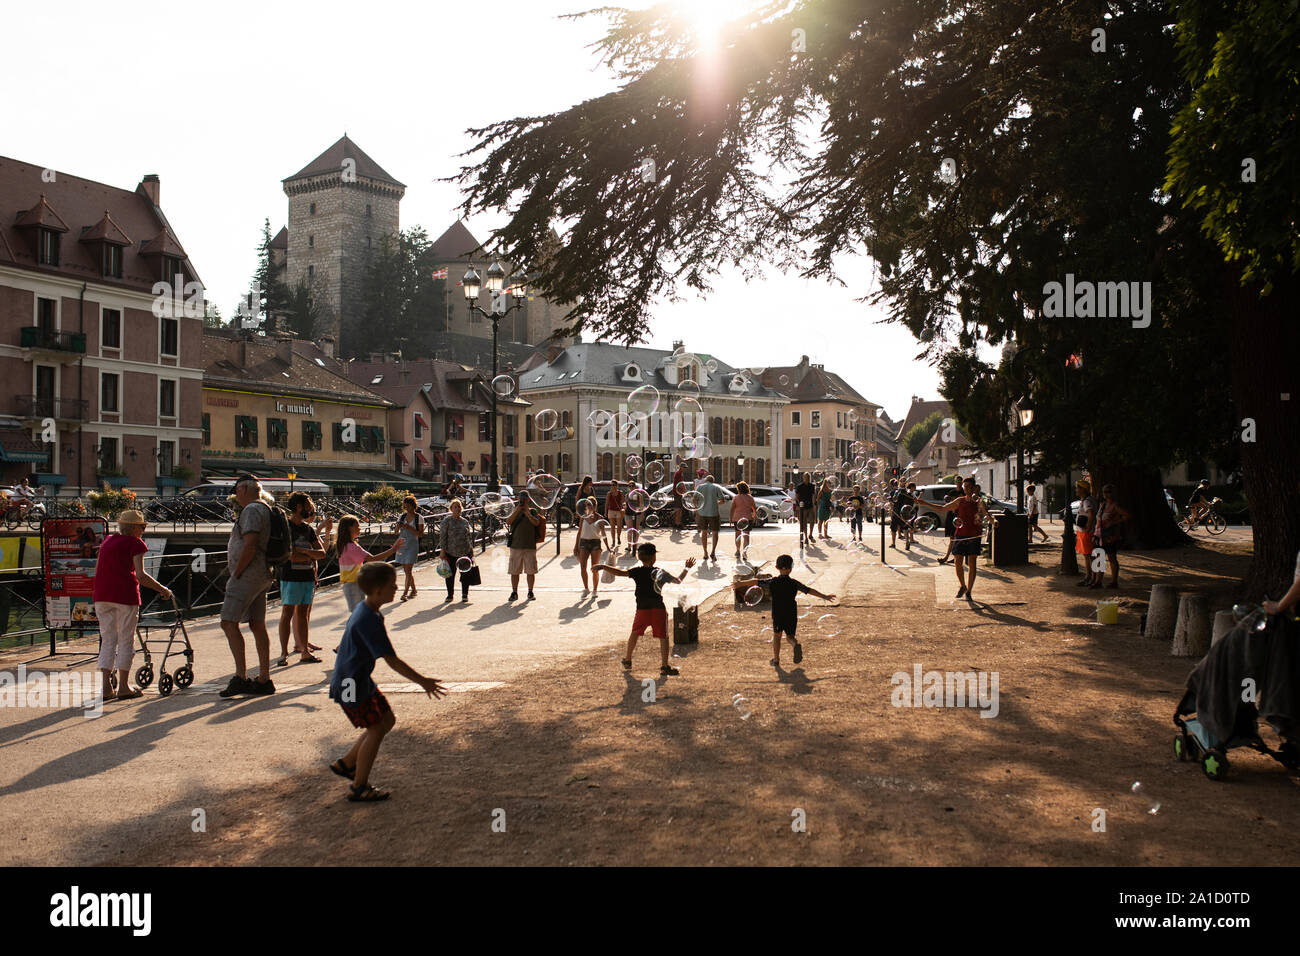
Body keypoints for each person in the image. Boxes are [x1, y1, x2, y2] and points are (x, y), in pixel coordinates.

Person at [328, 562, 448, 802]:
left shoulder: (367, 610)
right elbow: (392, 660)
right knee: (375, 728)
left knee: (387, 720)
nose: (396, 588)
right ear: (377, 591)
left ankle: (350, 763)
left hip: (358, 679)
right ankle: (359, 787)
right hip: (351, 684)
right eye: (392, 585)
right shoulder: (368, 619)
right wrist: (422, 681)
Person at [92, 510, 172, 701]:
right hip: (125, 596)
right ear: (134, 527)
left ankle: (105, 688)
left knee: (108, 640)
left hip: (102, 596)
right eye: (142, 527)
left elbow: (97, 569)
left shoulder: (108, 541)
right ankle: (124, 687)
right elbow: (141, 575)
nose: (144, 530)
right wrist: (163, 589)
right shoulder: (135, 543)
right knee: (126, 639)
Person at [595, 543, 695, 676]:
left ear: (640, 557)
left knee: (635, 633)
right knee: (663, 637)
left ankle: (628, 659)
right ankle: (664, 666)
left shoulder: (637, 571)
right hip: (658, 609)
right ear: (653, 557)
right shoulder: (660, 572)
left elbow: (620, 573)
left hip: (642, 609)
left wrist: (603, 566)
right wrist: (687, 568)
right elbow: (678, 580)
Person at [219, 475, 277, 697]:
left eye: (236, 490)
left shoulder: (252, 510)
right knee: (256, 624)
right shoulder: (266, 508)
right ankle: (263, 678)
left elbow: (250, 545)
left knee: (228, 622)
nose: (235, 494)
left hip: (249, 575)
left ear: (244, 488)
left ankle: (240, 677)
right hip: (262, 573)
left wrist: (237, 572)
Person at [734, 553, 836, 668]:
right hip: (791, 612)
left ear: (776, 568)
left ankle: (776, 660)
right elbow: (809, 590)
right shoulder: (794, 582)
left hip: (778, 613)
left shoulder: (772, 581)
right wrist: (824, 596)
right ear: (791, 569)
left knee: (777, 636)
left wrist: (739, 584)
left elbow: (755, 581)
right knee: (790, 636)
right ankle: (795, 644)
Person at [276, 492, 332, 667]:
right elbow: (289, 556)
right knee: (287, 613)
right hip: (290, 577)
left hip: (307, 576)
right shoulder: (286, 527)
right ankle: (283, 653)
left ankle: (305, 652)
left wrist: (306, 553)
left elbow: (321, 553)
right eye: (308, 505)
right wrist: (309, 554)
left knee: (303, 615)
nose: (311, 509)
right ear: (299, 507)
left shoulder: (307, 529)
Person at [933, 477, 988, 600]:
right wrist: (924, 503)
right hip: (961, 533)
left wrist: (994, 522)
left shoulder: (979, 502)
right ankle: (963, 586)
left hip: (974, 534)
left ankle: (969, 591)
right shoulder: (960, 500)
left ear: (974, 488)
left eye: (969, 487)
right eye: (965, 487)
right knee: (958, 562)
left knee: (972, 562)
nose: (966, 489)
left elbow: (987, 516)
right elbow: (942, 508)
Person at [335, 515, 399, 612]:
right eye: (357, 526)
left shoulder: (344, 545)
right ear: (349, 528)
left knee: (358, 611)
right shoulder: (352, 547)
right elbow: (372, 559)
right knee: (359, 612)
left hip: (350, 583)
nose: (359, 528)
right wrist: (393, 550)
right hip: (353, 583)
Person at [438, 498, 475, 603]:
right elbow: (443, 536)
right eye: (455, 507)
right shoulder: (447, 521)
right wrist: (443, 550)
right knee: (450, 574)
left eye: (459, 506)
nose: (458, 508)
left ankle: (464, 594)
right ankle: (450, 595)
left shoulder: (465, 521)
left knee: (465, 575)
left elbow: (468, 537)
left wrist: (471, 550)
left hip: (464, 551)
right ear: (451, 509)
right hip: (451, 551)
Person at [1095, 484, 1131, 589]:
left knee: (1111, 557)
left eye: (1109, 491)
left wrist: (1114, 522)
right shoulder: (1102, 505)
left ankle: (1114, 581)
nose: (1106, 494)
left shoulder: (1115, 506)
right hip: (1099, 534)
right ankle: (1098, 581)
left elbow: (1127, 515)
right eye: (1105, 492)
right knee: (1100, 557)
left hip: (1109, 535)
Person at [506, 499, 542, 601]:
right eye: (521, 500)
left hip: (530, 545)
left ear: (528, 500)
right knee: (514, 570)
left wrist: (527, 513)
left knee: (531, 570)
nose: (523, 502)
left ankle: (530, 591)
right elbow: (508, 522)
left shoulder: (533, 511)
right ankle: (514, 592)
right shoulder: (514, 510)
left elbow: (536, 523)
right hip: (516, 545)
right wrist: (517, 510)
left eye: (525, 500)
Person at [575, 497, 610, 595]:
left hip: (595, 543)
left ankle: (595, 590)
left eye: (590, 505)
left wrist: (608, 547)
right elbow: (579, 532)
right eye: (587, 505)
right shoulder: (583, 517)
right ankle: (586, 588)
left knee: (595, 568)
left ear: (595, 506)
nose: (588, 507)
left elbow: (603, 533)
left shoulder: (599, 518)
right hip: (584, 542)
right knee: (583, 567)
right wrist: (575, 546)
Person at [393, 495, 424, 601]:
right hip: (402, 544)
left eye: (408, 506)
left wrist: (409, 527)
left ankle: (405, 593)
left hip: (412, 545)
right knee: (406, 570)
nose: (406, 509)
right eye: (405, 506)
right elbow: (396, 532)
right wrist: (398, 526)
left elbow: (420, 534)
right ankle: (414, 590)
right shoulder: (401, 516)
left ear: (413, 506)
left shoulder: (418, 517)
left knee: (408, 569)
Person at [1074, 479, 1099, 587]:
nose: (1076, 490)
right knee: (1088, 555)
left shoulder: (1087, 501)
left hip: (1086, 532)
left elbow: (1091, 515)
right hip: (1084, 532)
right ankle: (1090, 577)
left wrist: (1088, 528)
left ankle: (1093, 578)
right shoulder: (1088, 500)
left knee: (1090, 556)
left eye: (1078, 488)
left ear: (1082, 489)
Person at [695, 473, 724, 561]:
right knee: (715, 533)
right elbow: (722, 500)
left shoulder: (699, 487)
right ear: (713, 481)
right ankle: (713, 552)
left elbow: (694, 499)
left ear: (705, 480)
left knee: (703, 533)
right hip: (713, 513)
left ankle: (705, 553)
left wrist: (697, 508)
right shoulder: (716, 487)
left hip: (702, 513)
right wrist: (715, 503)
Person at [731, 480, 758, 558]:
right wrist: (754, 516)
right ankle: (745, 553)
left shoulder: (735, 497)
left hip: (737, 518)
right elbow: (754, 508)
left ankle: (737, 551)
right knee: (746, 536)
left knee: (737, 535)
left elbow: (732, 509)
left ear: (739, 489)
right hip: (747, 518)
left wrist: (730, 518)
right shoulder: (750, 497)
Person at [571, 476, 595, 556]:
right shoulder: (581, 489)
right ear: (588, 482)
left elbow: (594, 500)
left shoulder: (591, 489)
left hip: (589, 510)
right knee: (581, 529)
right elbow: (577, 499)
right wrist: (577, 511)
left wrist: (594, 510)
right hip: (582, 510)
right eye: (591, 481)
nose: (592, 483)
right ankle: (578, 545)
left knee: (588, 527)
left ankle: (586, 543)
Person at [794, 472, 816, 545]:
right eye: (806, 477)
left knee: (812, 521)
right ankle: (806, 537)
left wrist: (813, 506)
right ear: (803, 478)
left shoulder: (812, 486)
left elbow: (813, 496)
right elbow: (796, 497)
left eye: (808, 477)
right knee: (804, 523)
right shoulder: (800, 486)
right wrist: (799, 504)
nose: (807, 478)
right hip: (803, 507)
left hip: (810, 506)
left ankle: (810, 534)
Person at [937, 492, 957, 564]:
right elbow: (942, 508)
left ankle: (950, 557)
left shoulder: (962, 497)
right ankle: (950, 557)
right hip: (952, 520)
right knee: (952, 539)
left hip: (957, 520)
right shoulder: (953, 491)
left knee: (955, 540)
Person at [605, 480, 626, 551]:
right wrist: (605, 512)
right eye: (611, 485)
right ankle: (613, 540)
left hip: (618, 511)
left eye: (614, 485)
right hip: (611, 510)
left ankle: (618, 537)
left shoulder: (621, 493)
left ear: (617, 486)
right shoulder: (609, 493)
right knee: (612, 527)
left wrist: (623, 508)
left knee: (619, 526)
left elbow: (623, 502)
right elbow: (607, 503)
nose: (612, 486)